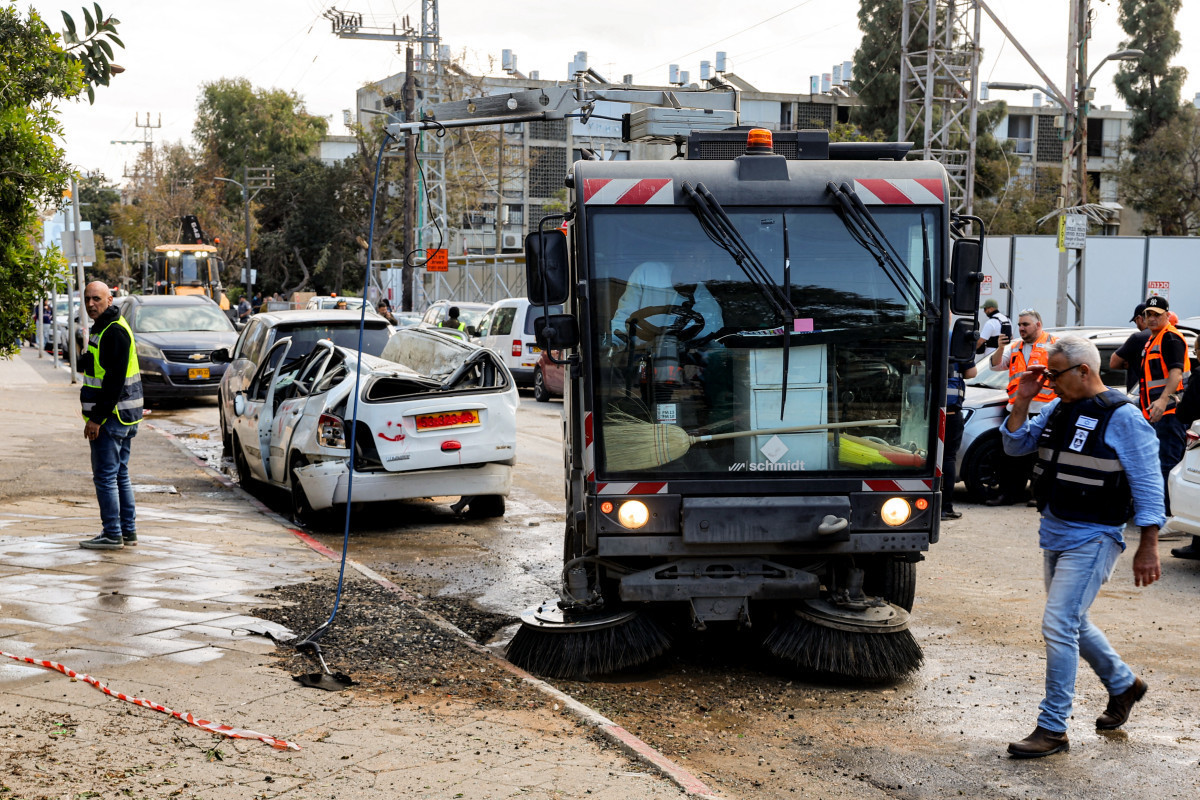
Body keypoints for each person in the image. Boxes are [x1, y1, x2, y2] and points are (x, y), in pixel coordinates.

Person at [1001, 336, 1163, 759]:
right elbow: (1015, 444)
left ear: (1084, 372)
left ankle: (1053, 728)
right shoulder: (1058, 407)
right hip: (1055, 529)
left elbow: (1148, 483)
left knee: (1058, 623)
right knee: (1074, 621)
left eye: (1055, 374)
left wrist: (1149, 544)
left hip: (1094, 536)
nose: (1050, 382)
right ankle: (1125, 684)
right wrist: (1023, 398)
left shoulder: (1123, 417)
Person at [78, 282, 144, 550]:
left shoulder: (113, 331)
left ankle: (112, 533)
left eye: (97, 299)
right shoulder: (105, 326)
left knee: (106, 476)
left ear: (109, 299)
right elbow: (100, 364)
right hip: (125, 415)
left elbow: (114, 382)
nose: (91, 304)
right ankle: (127, 532)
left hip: (112, 417)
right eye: (87, 299)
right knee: (120, 475)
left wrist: (96, 418)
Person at [987, 308, 1056, 506]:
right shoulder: (1015, 347)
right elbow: (995, 366)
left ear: (1038, 325)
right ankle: (1009, 493)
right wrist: (1000, 347)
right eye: (1019, 325)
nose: (1021, 328)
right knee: (1010, 455)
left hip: (1043, 408)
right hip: (1018, 408)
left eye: (1025, 324)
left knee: (1041, 456)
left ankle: (1037, 494)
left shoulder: (1053, 344)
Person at [1136, 295, 1189, 517]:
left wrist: (1163, 399)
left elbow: (1176, 372)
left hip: (1169, 412)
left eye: (1157, 315)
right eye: (1148, 314)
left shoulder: (1170, 338)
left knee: (1168, 464)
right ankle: (1163, 513)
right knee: (1160, 464)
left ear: (1167, 315)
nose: (1152, 318)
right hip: (1158, 414)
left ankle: (1169, 516)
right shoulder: (1153, 339)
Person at [942, 358, 978, 520]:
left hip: (923, 414)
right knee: (948, 458)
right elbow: (971, 373)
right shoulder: (956, 344)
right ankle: (945, 508)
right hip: (949, 413)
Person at [1111, 303, 1152, 393]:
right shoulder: (1169, 336)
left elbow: (1113, 363)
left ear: (1139, 318)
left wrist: (1131, 363)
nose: (1136, 325)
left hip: (1138, 395)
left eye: (1135, 321)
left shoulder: (1137, 338)